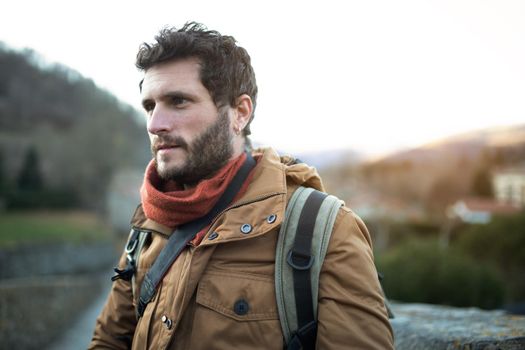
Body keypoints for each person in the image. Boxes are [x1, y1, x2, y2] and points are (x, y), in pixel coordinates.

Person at [90, 22, 394, 349]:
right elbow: (108, 341)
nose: (155, 124)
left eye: (178, 101)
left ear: (240, 113)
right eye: (150, 106)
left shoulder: (325, 230)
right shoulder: (150, 222)